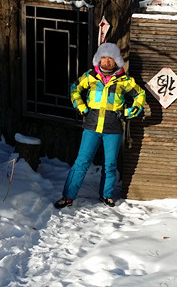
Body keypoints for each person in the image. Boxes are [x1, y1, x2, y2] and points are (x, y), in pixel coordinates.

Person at [54, 42, 146, 209]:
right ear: (98, 59)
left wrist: (128, 113)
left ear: (116, 60)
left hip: (113, 129)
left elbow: (140, 94)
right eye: (103, 58)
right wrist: (81, 107)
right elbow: (75, 89)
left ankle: (106, 195)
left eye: (110, 58)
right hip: (91, 126)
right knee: (81, 162)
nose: (106, 62)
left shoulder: (124, 80)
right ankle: (68, 196)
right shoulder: (90, 76)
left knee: (110, 164)